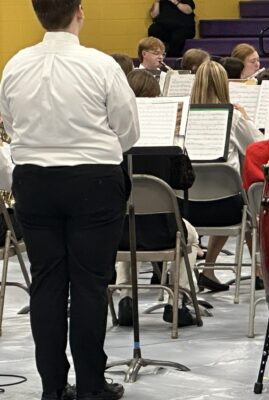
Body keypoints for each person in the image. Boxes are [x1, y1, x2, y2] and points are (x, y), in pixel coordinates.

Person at [0, 0, 139, 398]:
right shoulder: (101, 65)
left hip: (34, 180)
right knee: (89, 284)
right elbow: (128, 130)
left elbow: (10, 124)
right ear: (80, 11)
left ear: (37, 14)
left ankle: (52, 387)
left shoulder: (15, 65)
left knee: (46, 283)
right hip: (93, 179)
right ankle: (92, 386)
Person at [114, 69, 201, 327]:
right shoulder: (167, 141)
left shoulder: (113, 142)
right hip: (163, 231)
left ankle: (126, 297)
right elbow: (185, 181)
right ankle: (178, 302)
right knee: (191, 237)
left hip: (119, 234)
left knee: (128, 227)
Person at [189, 61, 262, 292]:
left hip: (185, 207)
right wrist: (246, 118)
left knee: (227, 194)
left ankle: (209, 270)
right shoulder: (232, 117)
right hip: (224, 208)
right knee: (248, 207)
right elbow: (258, 146)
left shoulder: (181, 117)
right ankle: (259, 271)